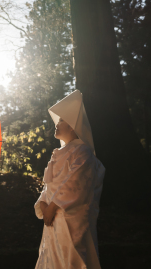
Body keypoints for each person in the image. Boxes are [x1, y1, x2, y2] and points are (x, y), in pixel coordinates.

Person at [35, 90, 105, 269]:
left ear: (73, 126)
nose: (57, 125)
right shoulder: (58, 153)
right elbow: (49, 185)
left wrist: (52, 206)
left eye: (62, 121)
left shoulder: (82, 152)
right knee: (50, 257)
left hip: (69, 217)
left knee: (71, 258)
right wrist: (43, 203)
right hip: (52, 217)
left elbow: (75, 183)